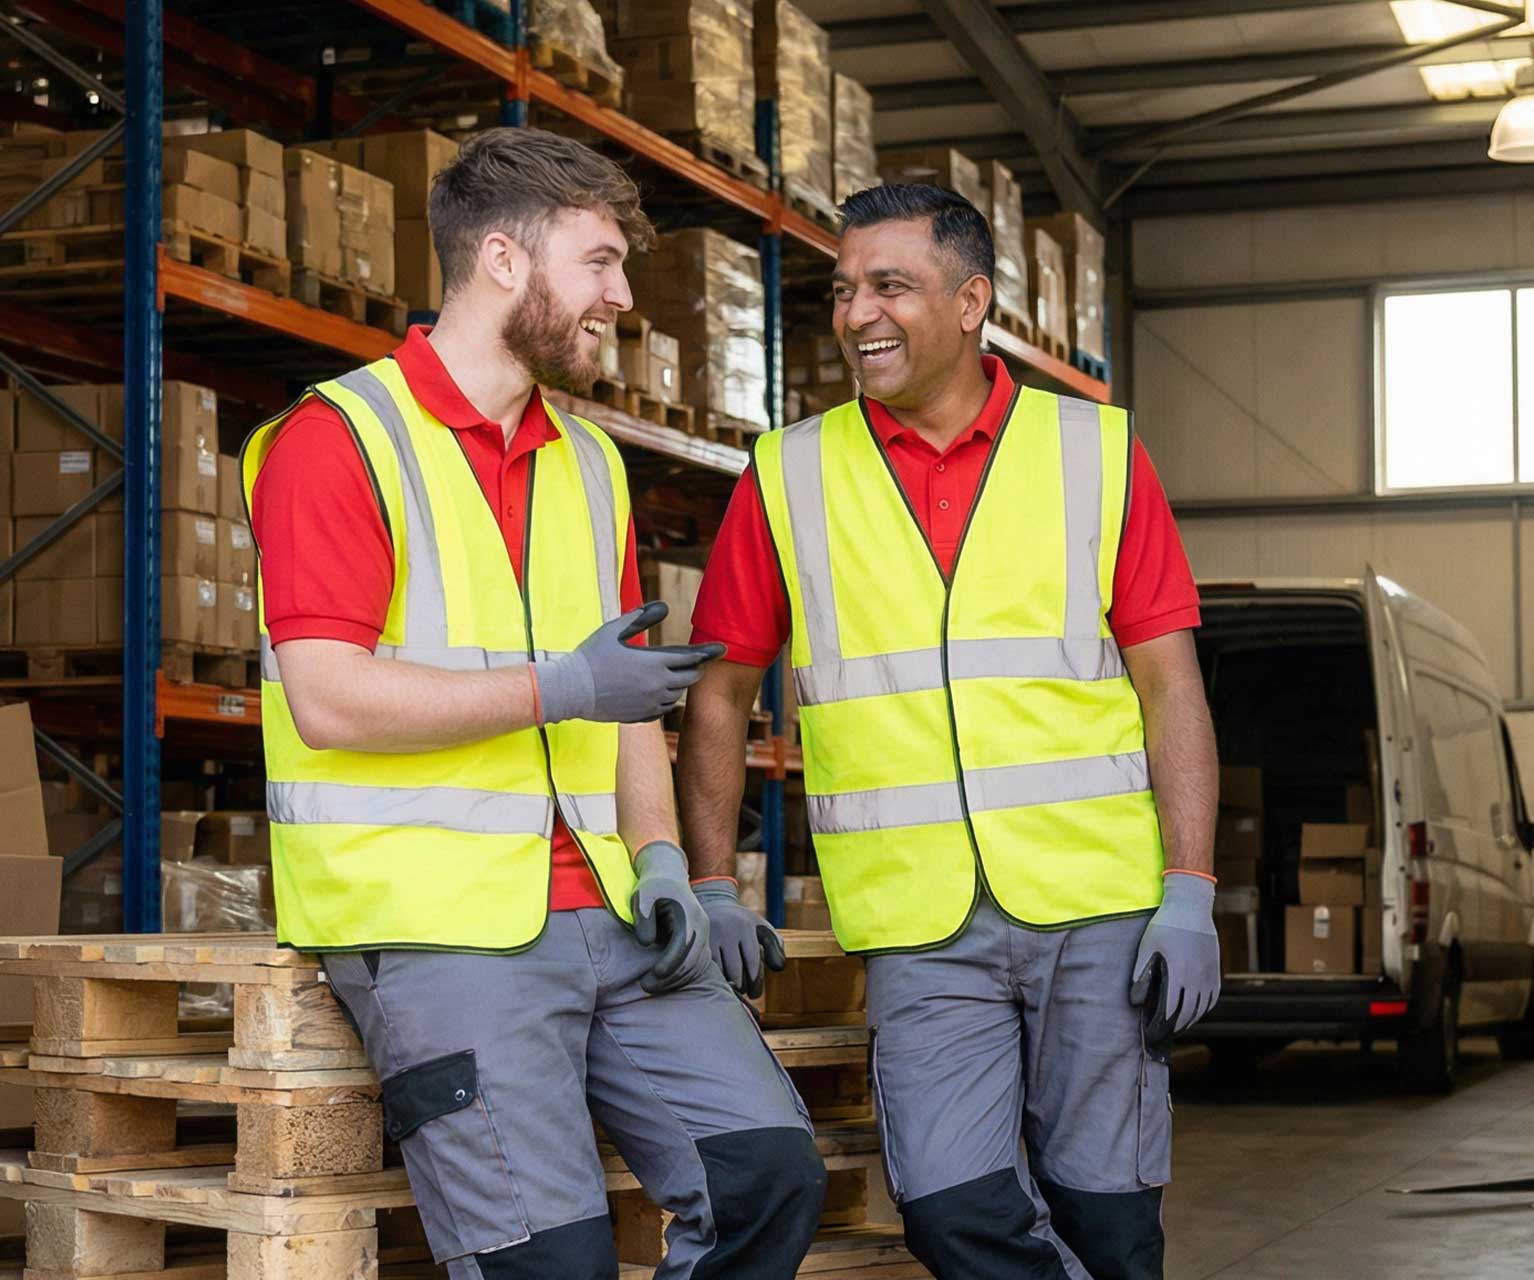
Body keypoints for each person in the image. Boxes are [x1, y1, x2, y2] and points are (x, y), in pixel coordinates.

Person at [241, 127, 825, 1280]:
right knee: (544, 1262)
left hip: (613, 912)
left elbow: (626, 701)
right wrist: (555, 687)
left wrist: (663, 860)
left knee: (766, 1177)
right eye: (599, 262)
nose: (622, 297)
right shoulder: (338, 440)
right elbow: (328, 697)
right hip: (436, 924)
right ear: (503, 259)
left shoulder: (590, 461)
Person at [677, 182, 1221, 1279]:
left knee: (1108, 1214)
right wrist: (708, 881)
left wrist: (1191, 887)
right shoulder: (789, 473)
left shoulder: (1098, 452)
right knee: (948, 1205)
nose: (857, 312)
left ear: (971, 300)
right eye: (843, 289)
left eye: (892, 285)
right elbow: (719, 693)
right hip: (919, 918)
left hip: (1097, 906)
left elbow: (1171, 684)